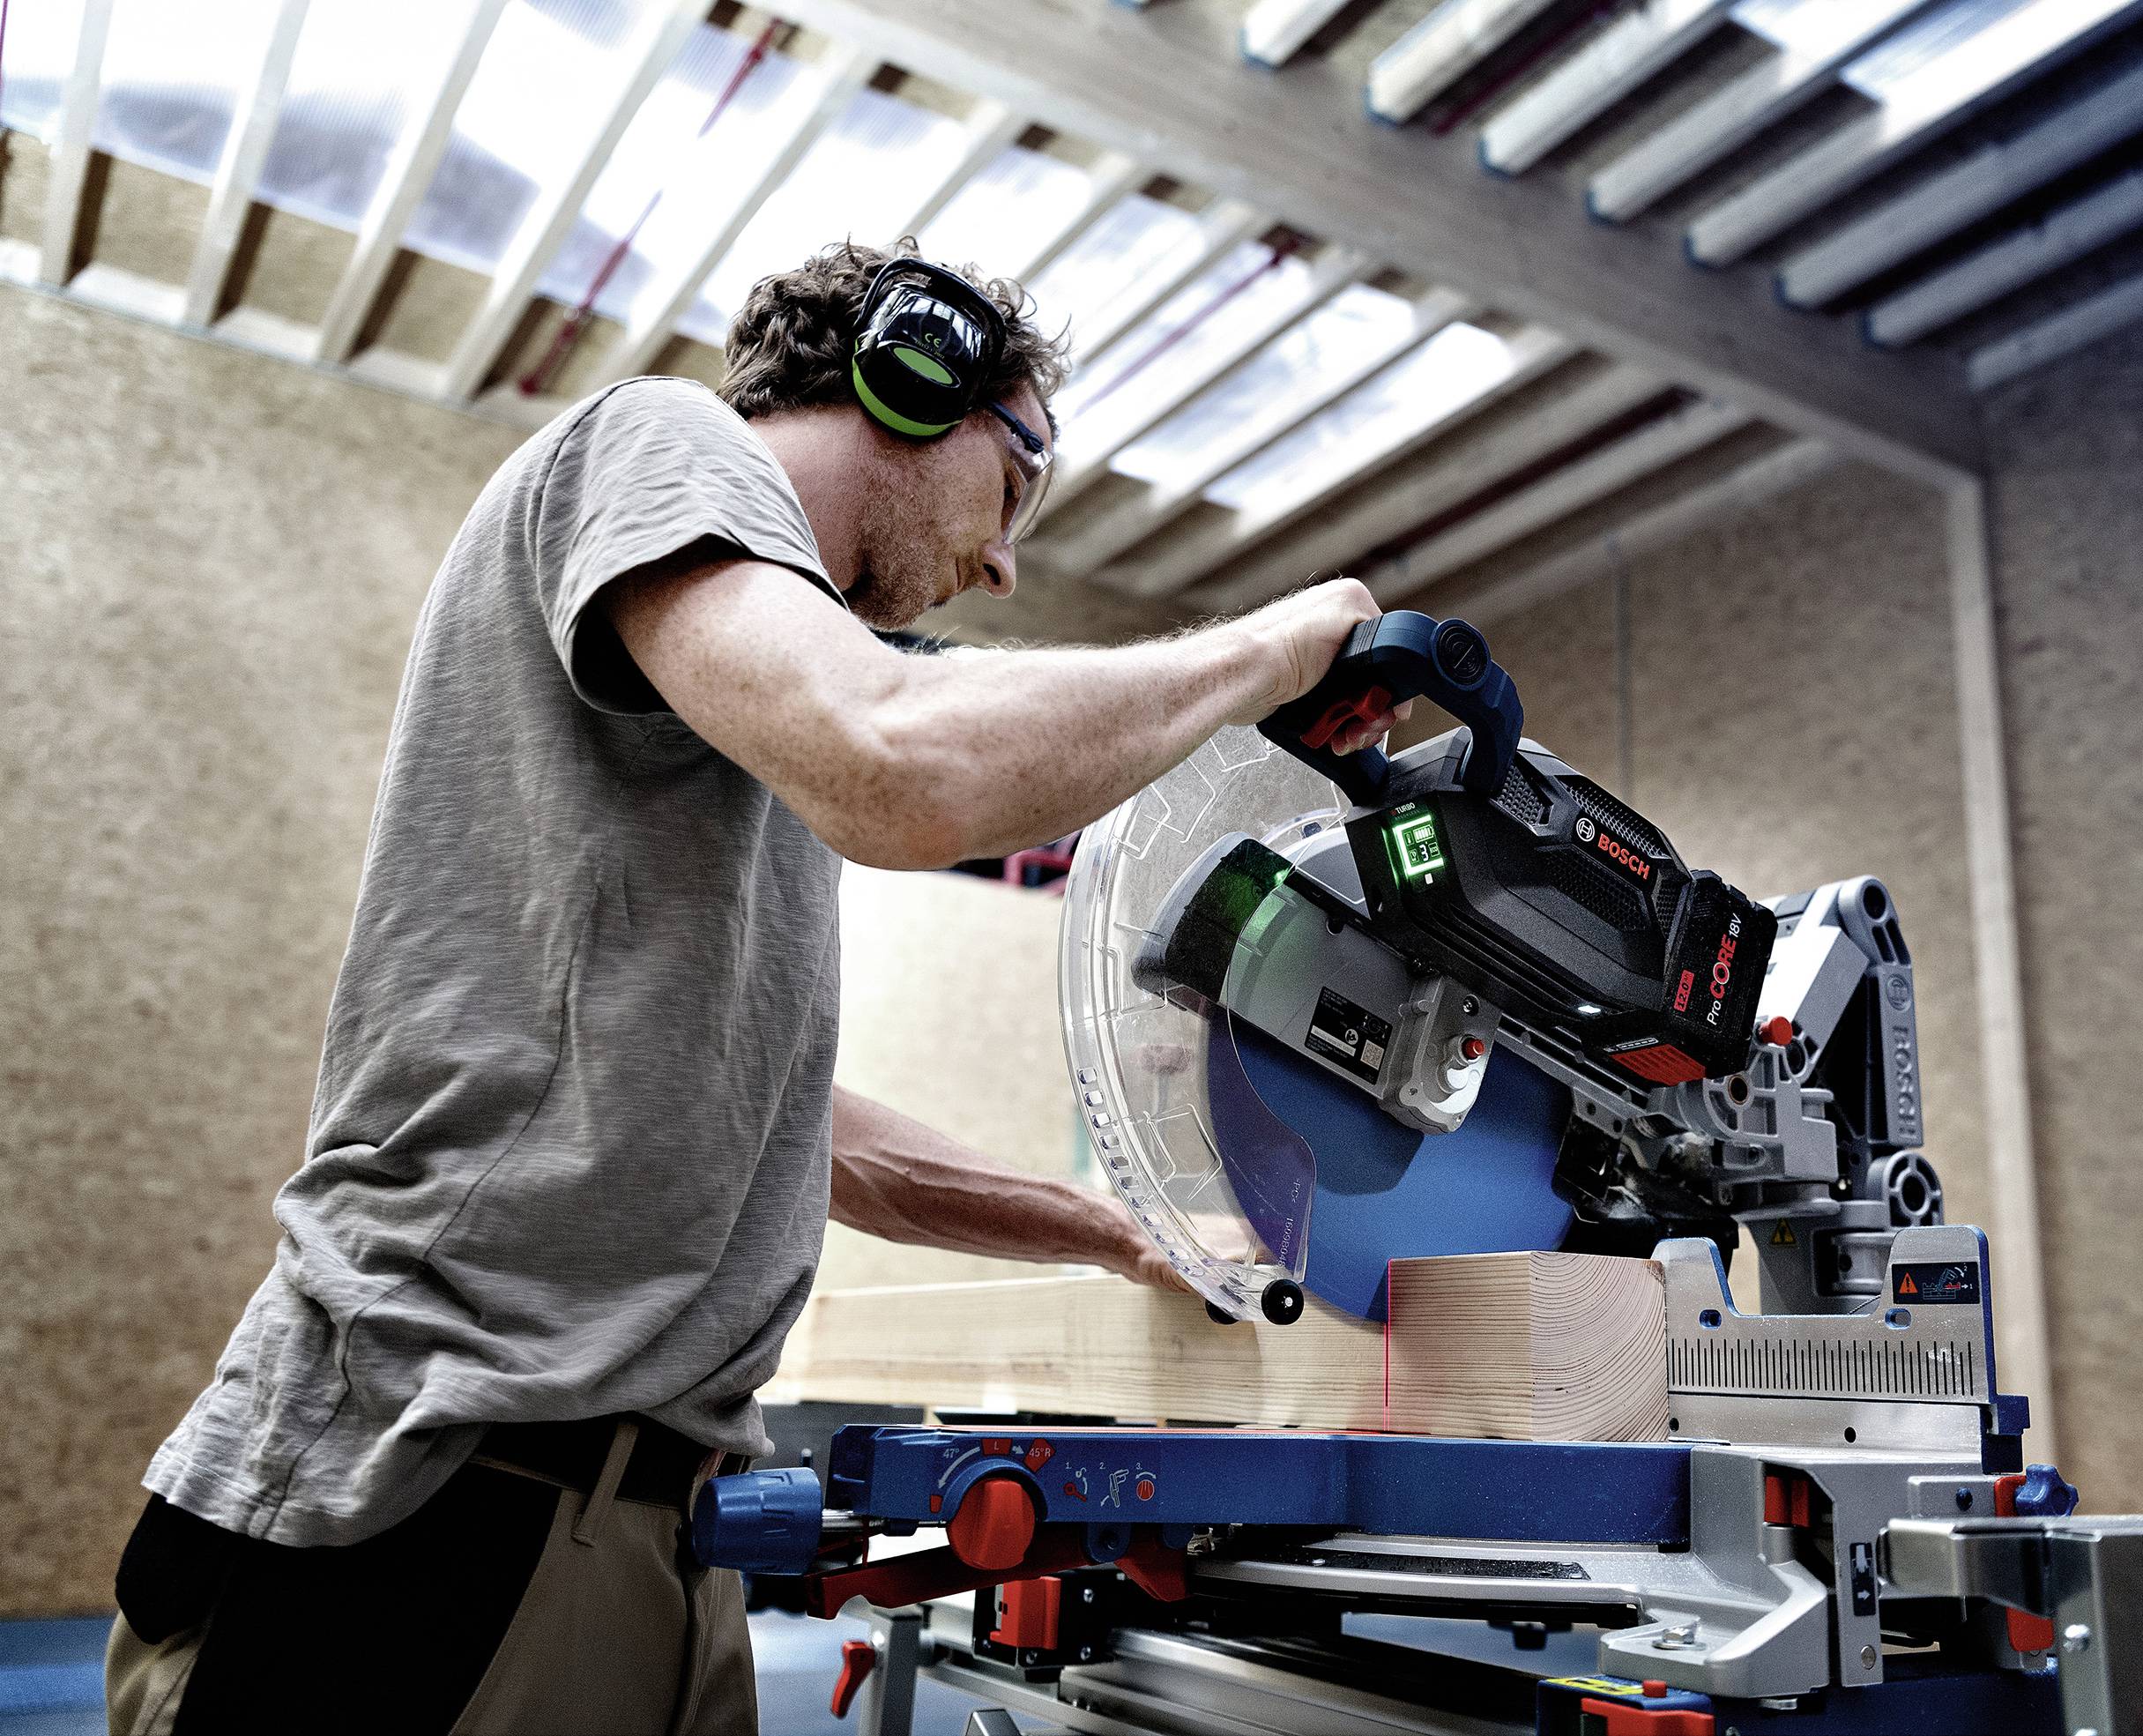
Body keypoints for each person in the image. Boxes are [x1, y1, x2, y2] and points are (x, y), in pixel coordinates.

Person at [104, 238, 1407, 1736]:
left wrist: (1121, 1234)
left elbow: (795, 1122)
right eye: (1019, 479)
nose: (998, 561)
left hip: (660, 1528)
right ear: (909, 376)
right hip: (442, 1491)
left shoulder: (753, 726)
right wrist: (1263, 651)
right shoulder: (659, 442)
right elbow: (898, 763)